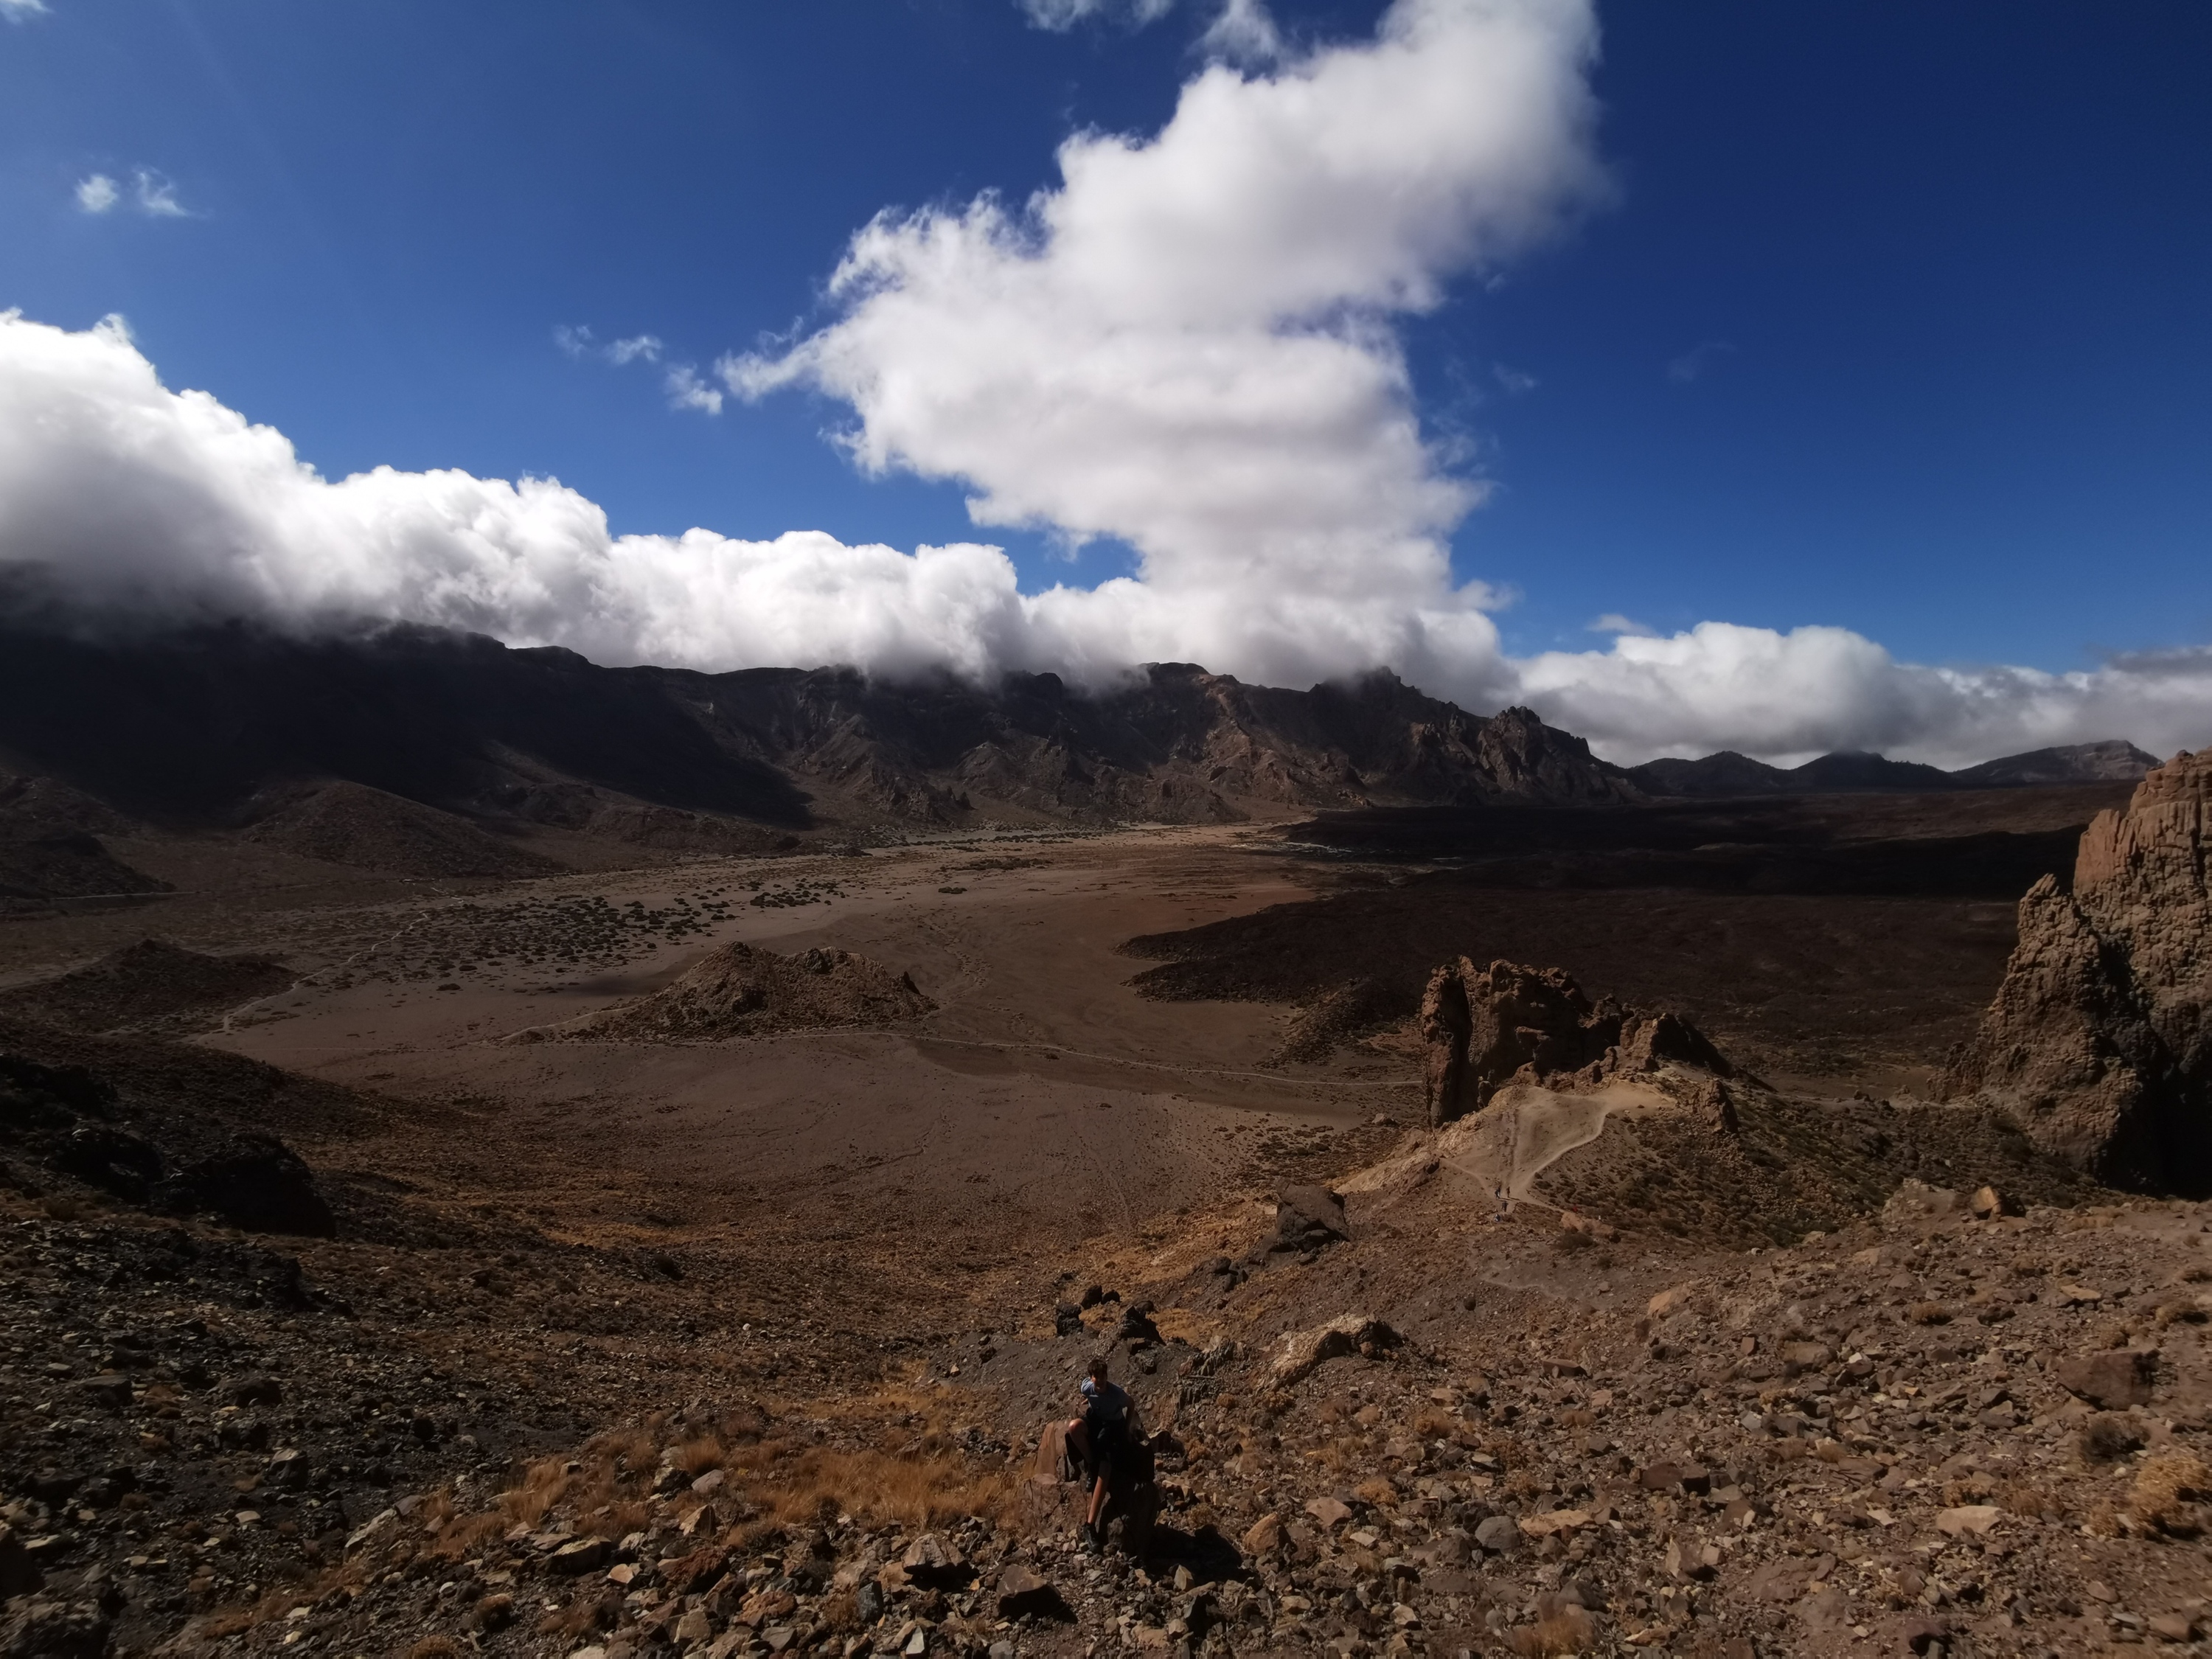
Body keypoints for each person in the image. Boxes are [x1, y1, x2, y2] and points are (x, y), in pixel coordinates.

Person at [1063, 1353, 1133, 1548]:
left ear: (1106, 1376)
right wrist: (1090, 1400)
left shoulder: (1117, 1393)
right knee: (1074, 1427)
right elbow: (1086, 1391)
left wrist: (1126, 1429)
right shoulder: (1087, 1387)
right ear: (1091, 1378)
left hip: (1113, 1426)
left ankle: (1090, 1524)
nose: (1099, 1381)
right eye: (1096, 1377)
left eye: (1103, 1376)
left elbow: (1131, 1404)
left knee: (1106, 1466)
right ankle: (1090, 1462)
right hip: (1096, 1420)